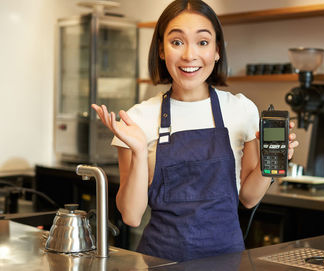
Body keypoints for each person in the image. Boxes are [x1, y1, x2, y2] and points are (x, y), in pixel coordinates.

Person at [90, 0, 298, 262]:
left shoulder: (242, 110)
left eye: (202, 42)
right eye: (177, 42)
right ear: (162, 50)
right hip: (161, 262)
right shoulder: (137, 119)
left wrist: (273, 163)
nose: (189, 55)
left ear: (217, 50)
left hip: (227, 262)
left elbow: (248, 197)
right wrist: (140, 151)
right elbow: (131, 216)